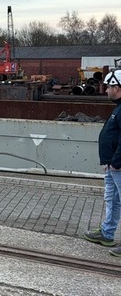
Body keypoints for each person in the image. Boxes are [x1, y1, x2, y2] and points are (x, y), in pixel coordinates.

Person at [84, 70, 121, 257]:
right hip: (112, 165)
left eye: (108, 87)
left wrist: (116, 162)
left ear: (117, 87)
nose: (106, 90)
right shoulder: (118, 108)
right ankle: (107, 234)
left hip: (118, 166)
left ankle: (107, 233)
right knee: (112, 201)